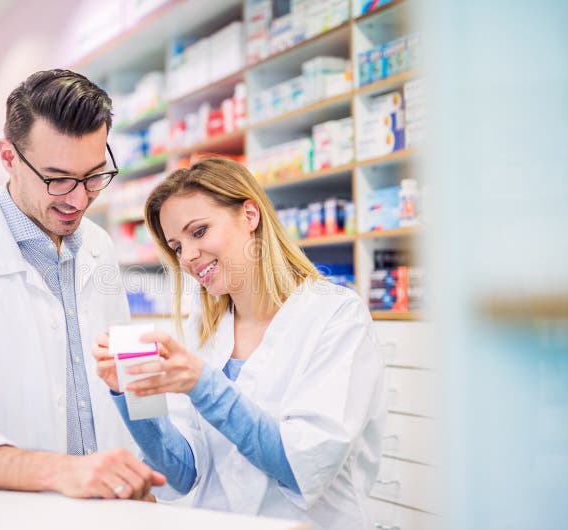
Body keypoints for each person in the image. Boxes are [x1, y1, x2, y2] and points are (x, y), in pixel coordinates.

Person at [0, 69, 165, 500]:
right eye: (57, 179)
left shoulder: (100, 246)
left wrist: (152, 464)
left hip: (114, 508)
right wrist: (61, 472)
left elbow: (132, 373)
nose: (78, 199)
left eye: (94, 175)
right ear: (8, 156)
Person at [93, 158, 386, 528]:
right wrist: (132, 394)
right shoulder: (208, 329)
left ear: (250, 215)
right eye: (177, 246)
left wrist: (202, 384)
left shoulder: (336, 318)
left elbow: (302, 466)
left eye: (198, 232)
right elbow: (181, 472)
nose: (188, 258)